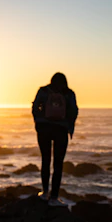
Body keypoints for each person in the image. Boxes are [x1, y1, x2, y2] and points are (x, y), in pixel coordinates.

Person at [32, 72, 78, 206]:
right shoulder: (69, 93)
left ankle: (45, 192)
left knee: (45, 160)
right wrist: (69, 127)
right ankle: (54, 197)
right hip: (61, 130)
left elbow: (35, 107)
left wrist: (39, 122)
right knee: (58, 164)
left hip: (44, 129)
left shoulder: (43, 90)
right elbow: (74, 111)